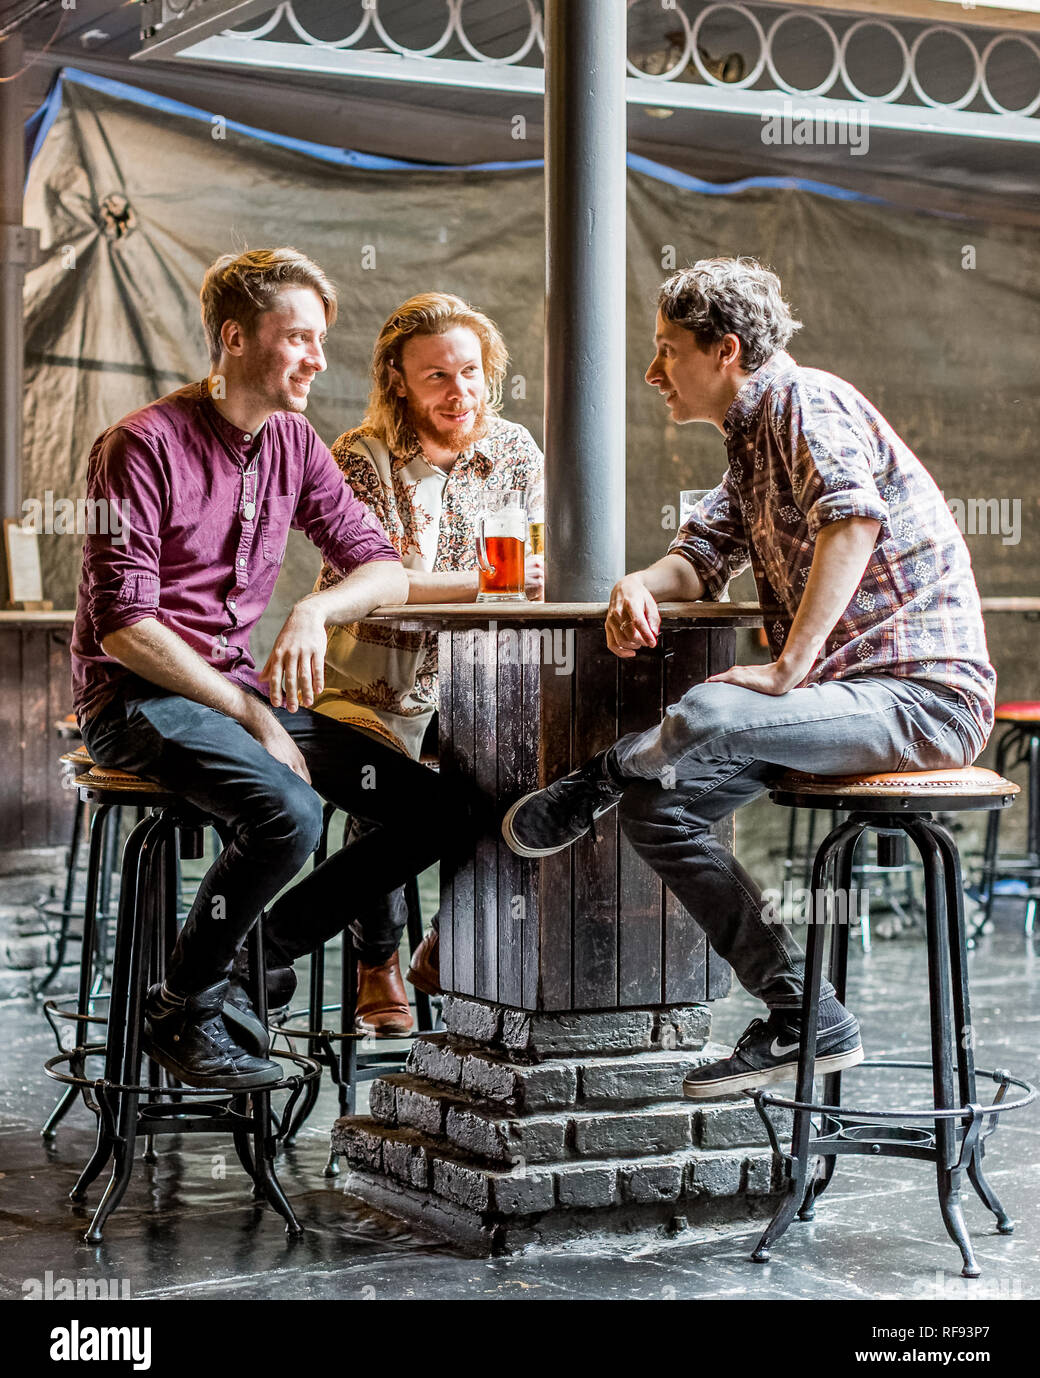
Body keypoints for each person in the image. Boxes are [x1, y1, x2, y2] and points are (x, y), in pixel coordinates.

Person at [502, 256, 995, 1099]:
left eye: (667, 351)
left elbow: (854, 519)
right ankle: (805, 1011)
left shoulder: (808, 400)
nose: (654, 372)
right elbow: (698, 562)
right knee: (662, 811)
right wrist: (635, 584)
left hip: (922, 698)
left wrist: (788, 664)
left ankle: (607, 772)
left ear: (725, 350)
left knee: (712, 708)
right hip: (837, 704)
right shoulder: (750, 440)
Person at [72, 247, 471, 1090]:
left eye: (321, 340)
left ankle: (256, 961)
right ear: (234, 338)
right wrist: (253, 714)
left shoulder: (292, 442)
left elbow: (381, 564)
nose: (318, 360)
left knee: (437, 810)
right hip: (139, 700)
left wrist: (315, 608)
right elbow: (123, 626)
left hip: (234, 696)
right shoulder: (138, 446)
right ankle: (183, 1007)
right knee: (288, 810)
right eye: (298, 339)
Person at [313, 292, 544, 1034]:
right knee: (382, 791)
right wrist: (489, 581)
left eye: (471, 372)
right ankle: (375, 962)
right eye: (437, 376)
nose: (459, 391)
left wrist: (514, 581)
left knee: (518, 779)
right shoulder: (363, 454)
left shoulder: (514, 450)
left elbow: (542, 563)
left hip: (482, 669)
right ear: (398, 380)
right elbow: (375, 584)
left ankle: (451, 938)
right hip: (373, 674)